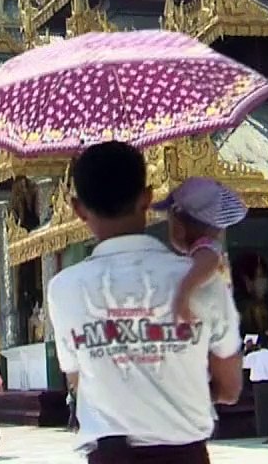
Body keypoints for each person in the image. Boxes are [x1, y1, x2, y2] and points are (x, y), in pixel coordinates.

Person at [46, 142, 243, 463]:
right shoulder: (203, 281)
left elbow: (77, 379)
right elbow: (230, 388)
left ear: (78, 209)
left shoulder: (63, 289)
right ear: (148, 198)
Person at [155, 177, 246, 323]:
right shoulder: (207, 250)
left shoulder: (206, 249)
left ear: (179, 227)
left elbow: (208, 259)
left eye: (169, 221)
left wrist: (183, 294)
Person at [244, 335, 268, 445]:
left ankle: (267, 433)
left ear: (259, 344)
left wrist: (247, 349)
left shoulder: (254, 356)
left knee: (262, 411)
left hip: (259, 386)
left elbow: (242, 364)